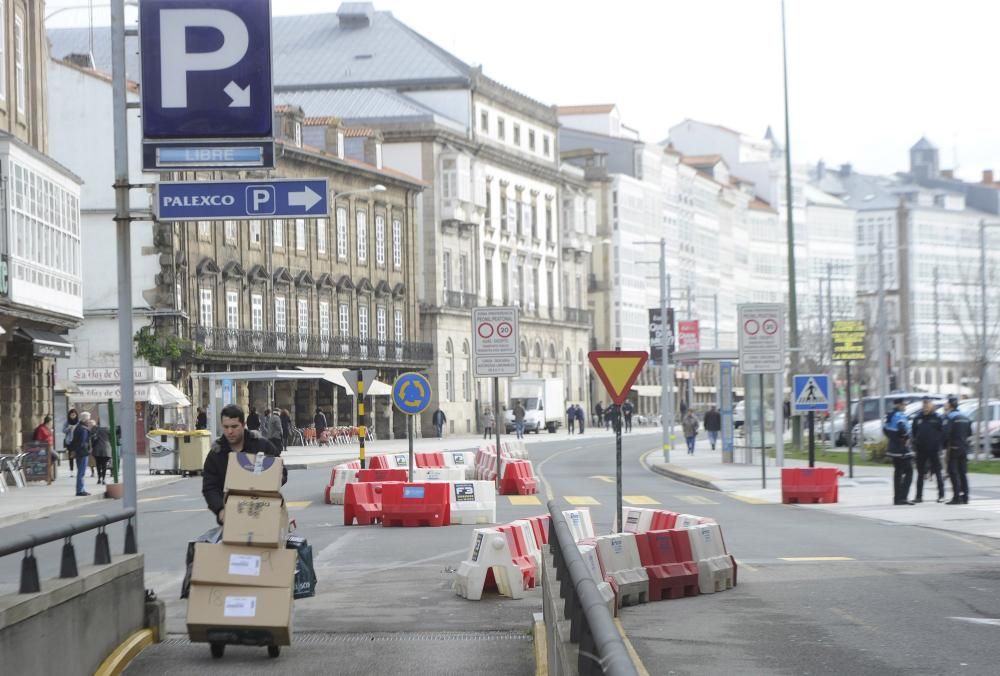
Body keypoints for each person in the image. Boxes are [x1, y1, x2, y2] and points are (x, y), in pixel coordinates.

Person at [202, 404, 286, 525]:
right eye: (226, 427)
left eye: (234, 426)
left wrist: (272, 480)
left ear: (243, 424)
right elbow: (209, 487)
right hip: (232, 518)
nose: (230, 431)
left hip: (263, 514)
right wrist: (220, 509)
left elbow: (282, 470)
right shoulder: (216, 454)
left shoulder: (261, 445)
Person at [911, 397, 945, 503]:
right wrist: (915, 444)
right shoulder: (918, 418)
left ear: (932, 406)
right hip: (921, 450)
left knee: (938, 473)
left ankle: (941, 495)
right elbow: (914, 432)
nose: (925, 406)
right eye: (924, 404)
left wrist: (938, 444)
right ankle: (918, 496)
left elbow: (942, 433)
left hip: (933, 450)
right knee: (920, 473)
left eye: (928, 404)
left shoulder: (937, 418)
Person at [884, 398, 914, 505]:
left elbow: (885, 430)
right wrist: (905, 439)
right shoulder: (899, 416)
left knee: (898, 473)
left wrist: (893, 439)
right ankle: (903, 497)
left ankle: (897, 498)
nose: (905, 406)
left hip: (893, 448)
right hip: (902, 450)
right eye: (903, 404)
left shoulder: (890, 416)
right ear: (899, 405)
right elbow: (903, 429)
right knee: (909, 472)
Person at [943, 396, 971, 504]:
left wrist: (944, 446)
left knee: (953, 472)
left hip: (953, 448)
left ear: (950, 405)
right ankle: (965, 496)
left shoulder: (949, 417)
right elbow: (969, 433)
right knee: (963, 472)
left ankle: (956, 497)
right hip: (964, 447)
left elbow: (945, 433)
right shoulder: (965, 417)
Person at [69, 411, 92, 496]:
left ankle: (81, 489)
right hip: (83, 453)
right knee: (81, 472)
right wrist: (87, 448)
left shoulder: (78, 427)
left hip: (78, 452)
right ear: (85, 420)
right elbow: (82, 442)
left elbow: (75, 441)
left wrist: (74, 451)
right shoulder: (84, 429)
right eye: (88, 419)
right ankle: (80, 490)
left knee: (80, 471)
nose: (89, 421)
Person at [88, 418, 112, 485]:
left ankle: (99, 478)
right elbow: (111, 438)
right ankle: (103, 479)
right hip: (106, 449)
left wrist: (91, 447)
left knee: (98, 464)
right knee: (104, 465)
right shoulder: (108, 429)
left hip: (97, 449)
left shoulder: (94, 429)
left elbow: (91, 439)